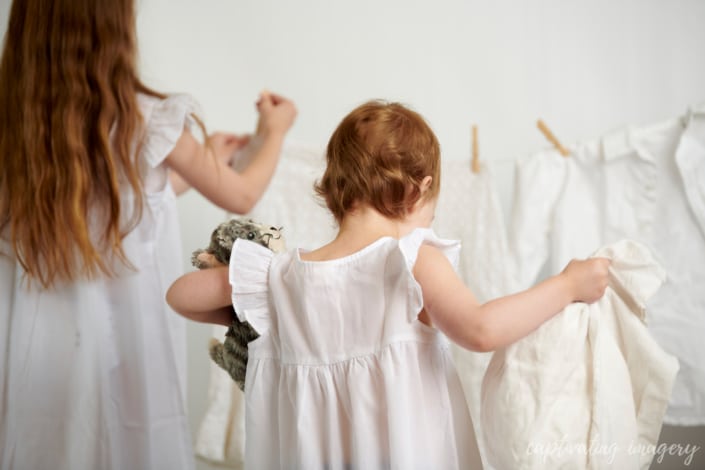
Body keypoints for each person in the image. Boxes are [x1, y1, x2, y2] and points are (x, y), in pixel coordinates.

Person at [166, 100, 610, 469]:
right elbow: (480, 330)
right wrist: (567, 285)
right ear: (422, 189)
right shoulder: (410, 260)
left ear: (333, 190)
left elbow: (180, 296)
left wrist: (248, 288)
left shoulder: (282, 277)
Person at [0, 1, 296, 469]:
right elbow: (242, 196)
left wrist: (199, 166)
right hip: (122, 345)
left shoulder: (17, 128)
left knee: (47, 444)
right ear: (113, 32)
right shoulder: (145, 120)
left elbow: (112, 211)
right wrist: (274, 131)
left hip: (40, 355)